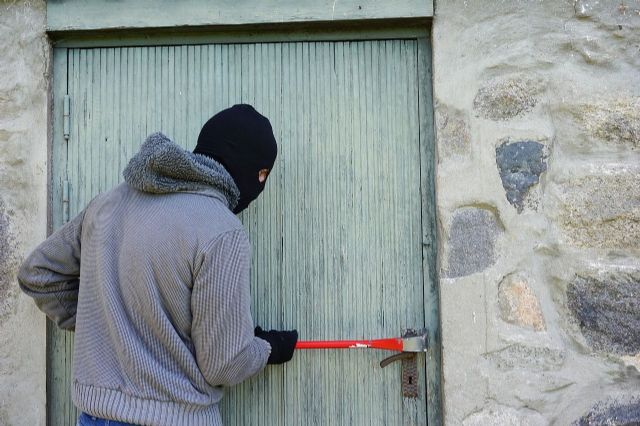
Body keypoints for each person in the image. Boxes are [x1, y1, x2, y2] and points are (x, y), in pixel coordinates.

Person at [18, 104, 297, 426]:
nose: (259, 185)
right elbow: (224, 363)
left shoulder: (108, 203)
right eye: (262, 174)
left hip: (94, 417)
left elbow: (39, 274)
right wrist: (268, 348)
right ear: (247, 166)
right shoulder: (221, 230)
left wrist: (110, 323)